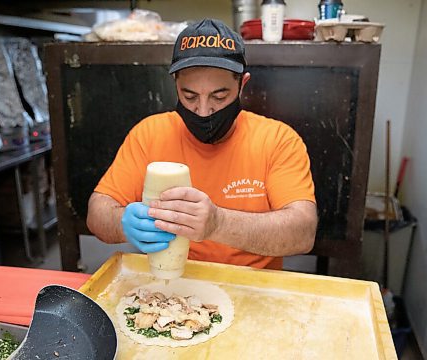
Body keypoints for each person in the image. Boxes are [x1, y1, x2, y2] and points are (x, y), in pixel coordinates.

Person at [86, 18, 317, 270]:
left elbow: (303, 233)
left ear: (242, 86)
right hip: (173, 285)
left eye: (219, 96)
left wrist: (218, 224)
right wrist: (124, 223)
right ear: (175, 85)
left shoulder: (278, 140)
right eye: (190, 96)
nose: (204, 111)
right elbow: (97, 214)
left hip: (251, 285)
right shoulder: (149, 134)